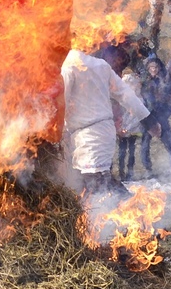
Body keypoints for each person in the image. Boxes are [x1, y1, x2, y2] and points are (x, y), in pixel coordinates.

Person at [60, 47, 150, 195]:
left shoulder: (69, 66)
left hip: (91, 134)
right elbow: (125, 94)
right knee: (84, 181)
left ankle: (133, 206)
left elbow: (61, 102)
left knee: (97, 179)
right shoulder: (101, 65)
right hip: (97, 132)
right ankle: (92, 215)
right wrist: (147, 119)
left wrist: (54, 131)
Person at [138, 57, 171, 172]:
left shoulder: (165, 81)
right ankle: (148, 169)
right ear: (148, 68)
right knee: (145, 144)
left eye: (155, 67)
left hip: (162, 115)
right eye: (151, 67)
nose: (154, 69)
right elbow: (140, 99)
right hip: (147, 116)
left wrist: (166, 113)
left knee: (170, 143)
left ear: (159, 68)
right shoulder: (143, 81)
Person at [116, 67, 145, 181]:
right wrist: (121, 128)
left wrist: (128, 128)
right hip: (123, 130)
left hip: (134, 130)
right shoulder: (121, 99)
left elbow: (136, 118)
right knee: (122, 151)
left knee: (131, 150)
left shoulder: (139, 100)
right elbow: (119, 115)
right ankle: (121, 172)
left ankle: (130, 172)